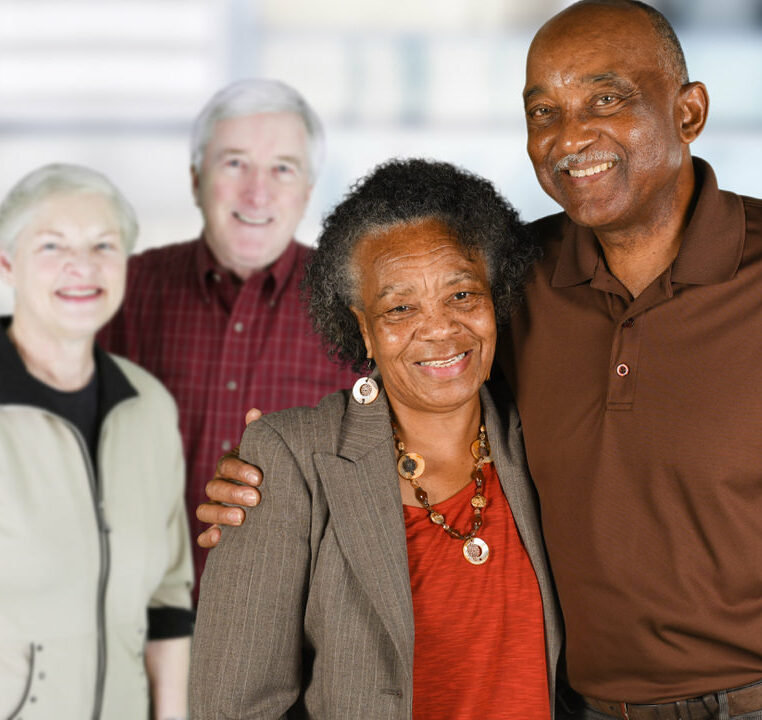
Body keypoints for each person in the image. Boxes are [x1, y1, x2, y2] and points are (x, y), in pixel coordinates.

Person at [200, 0, 762, 718]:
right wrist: (271, 480)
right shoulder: (517, 280)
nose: (570, 137)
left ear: (689, 110)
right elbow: (411, 376)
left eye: (606, 99)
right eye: (544, 112)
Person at [189, 158, 560, 719]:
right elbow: (233, 705)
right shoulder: (290, 459)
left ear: (495, 297)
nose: (439, 328)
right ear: (362, 327)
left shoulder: (539, 434)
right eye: (400, 307)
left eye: (462, 295)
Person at [98, 79, 356, 598]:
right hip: (133, 613)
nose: (256, 193)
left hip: (289, 633)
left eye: (282, 168)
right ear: (196, 180)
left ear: (308, 190)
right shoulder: (121, 290)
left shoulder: (355, 308)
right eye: (234, 163)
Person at [0, 164, 192, 719]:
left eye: (103, 245)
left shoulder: (149, 405)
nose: (81, 266)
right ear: (8, 263)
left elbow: (167, 598)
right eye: (52, 244)